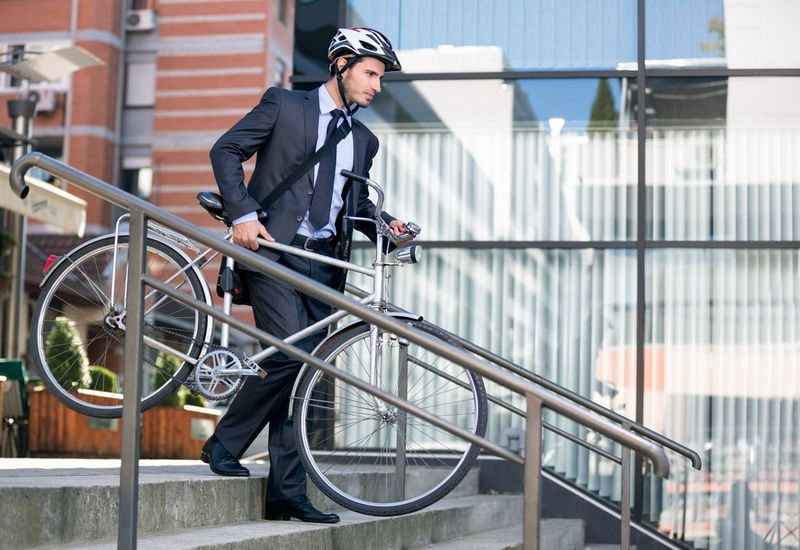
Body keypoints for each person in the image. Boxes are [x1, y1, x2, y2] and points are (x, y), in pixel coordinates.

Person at [201, 28, 410, 524]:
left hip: (324, 264)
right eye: (371, 73)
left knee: (304, 371)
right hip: (274, 249)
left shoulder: (365, 139)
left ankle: (285, 493)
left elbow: (353, 207)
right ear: (340, 63)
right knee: (291, 348)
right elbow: (225, 151)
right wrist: (243, 213)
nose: (377, 86)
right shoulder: (284, 105)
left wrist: (385, 225)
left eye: (380, 78)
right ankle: (224, 443)